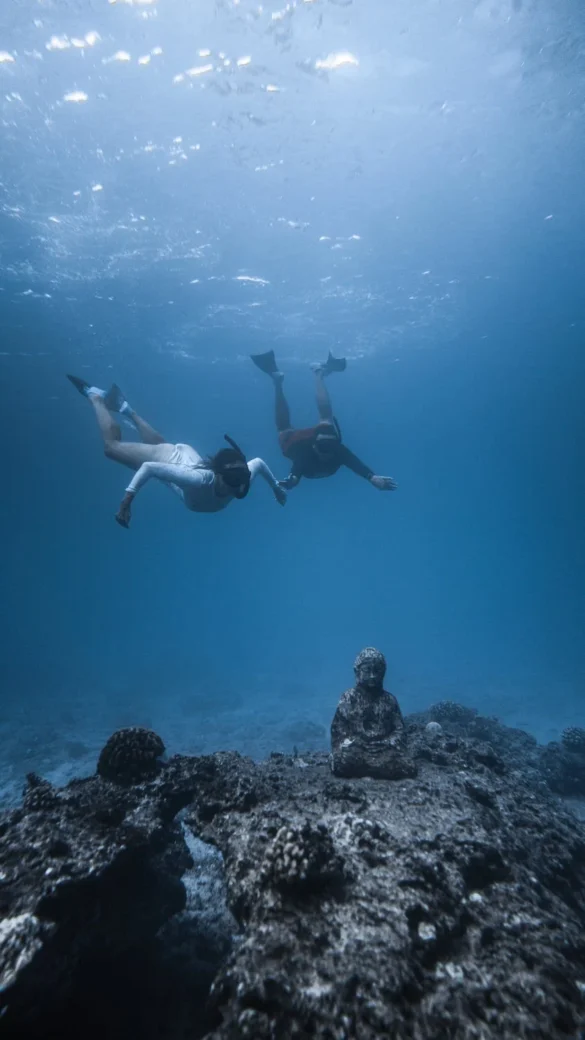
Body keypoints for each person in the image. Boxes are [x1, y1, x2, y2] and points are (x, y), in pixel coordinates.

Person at [67, 375, 286, 528]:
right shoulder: (199, 480)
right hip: (169, 459)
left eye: (242, 478)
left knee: (164, 446)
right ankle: (95, 397)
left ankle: (126, 409)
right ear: (218, 474)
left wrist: (276, 488)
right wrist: (126, 502)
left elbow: (257, 462)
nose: (237, 486)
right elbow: (149, 468)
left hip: (183, 456)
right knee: (111, 448)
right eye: (233, 479)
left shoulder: (240, 477)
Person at [250, 350, 398, 492]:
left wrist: (372, 478)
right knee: (321, 420)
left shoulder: (336, 449)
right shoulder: (306, 455)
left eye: (331, 448)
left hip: (306, 441)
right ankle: (315, 374)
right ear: (314, 446)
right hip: (299, 445)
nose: (328, 453)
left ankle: (285, 380)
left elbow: (354, 463)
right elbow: (296, 472)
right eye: (326, 449)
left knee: (289, 428)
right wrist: (291, 481)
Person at [330, 647, 416, 780]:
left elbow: (399, 731)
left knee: (407, 765)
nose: (372, 676)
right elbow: (338, 730)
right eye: (367, 670)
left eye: (377, 671)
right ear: (357, 671)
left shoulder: (389, 700)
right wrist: (355, 742)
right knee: (344, 759)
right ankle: (375, 770)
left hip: (384, 750)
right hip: (357, 749)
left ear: (384, 672)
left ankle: (366, 770)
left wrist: (387, 742)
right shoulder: (348, 698)